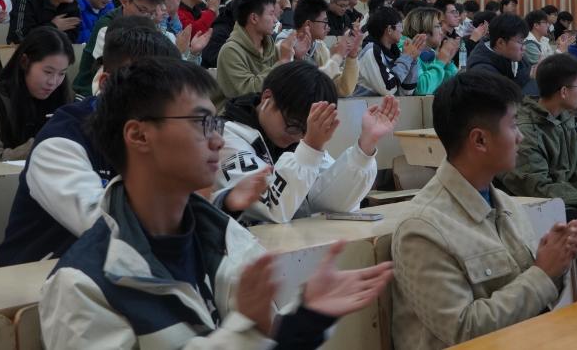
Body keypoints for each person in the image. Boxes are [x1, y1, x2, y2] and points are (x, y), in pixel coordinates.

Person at [39, 57, 393, 349]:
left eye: (214, 122)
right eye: (201, 123)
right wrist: (245, 334)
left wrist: (304, 321)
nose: (217, 140)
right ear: (139, 135)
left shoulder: (229, 240)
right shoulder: (82, 284)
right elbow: (246, 338)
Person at [391, 71, 577, 350]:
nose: (520, 137)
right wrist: (543, 273)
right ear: (480, 140)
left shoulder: (507, 205)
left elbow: (534, 301)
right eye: (513, 125)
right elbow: (463, 331)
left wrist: (556, 262)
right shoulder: (423, 228)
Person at [0, 20, 182, 265]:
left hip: (116, 272)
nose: (159, 102)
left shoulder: (163, 134)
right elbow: (105, 225)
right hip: (36, 277)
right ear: (106, 85)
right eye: (146, 87)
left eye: (167, 89)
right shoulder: (60, 141)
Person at [496, 53, 577, 298]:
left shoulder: (565, 118)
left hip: (563, 198)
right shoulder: (526, 128)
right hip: (530, 205)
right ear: (564, 92)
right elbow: (535, 185)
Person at [215, 61, 396, 224]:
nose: (297, 137)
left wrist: (364, 148)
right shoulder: (225, 137)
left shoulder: (300, 140)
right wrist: (310, 147)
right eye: (293, 125)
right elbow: (271, 210)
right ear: (267, 98)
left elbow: (327, 202)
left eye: (306, 130)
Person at [0, 27, 74, 163]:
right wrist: (45, 143)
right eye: (48, 72)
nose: (53, 82)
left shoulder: (65, 98)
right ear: (24, 62)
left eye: (62, 73)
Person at [72, 0, 169, 97]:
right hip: (91, 91)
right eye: (142, 10)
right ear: (125, 1)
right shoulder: (107, 27)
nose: (147, 17)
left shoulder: (147, 26)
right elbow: (113, 73)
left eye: (152, 13)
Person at [216, 0, 303, 101]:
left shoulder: (269, 46)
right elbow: (246, 93)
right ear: (254, 18)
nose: (275, 20)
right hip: (240, 111)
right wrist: (283, 61)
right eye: (271, 14)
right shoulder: (230, 51)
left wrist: (297, 57)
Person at [277, 0, 360, 97]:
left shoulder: (320, 47)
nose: (328, 27)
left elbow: (342, 89)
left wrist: (352, 56)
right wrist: (337, 57)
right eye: (324, 22)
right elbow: (304, 88)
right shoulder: (284, 46)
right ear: (308, 24)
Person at [355, 7, 423, 97]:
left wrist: (412, 59)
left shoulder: (395, 52)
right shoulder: (370, 50)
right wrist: (406, 57)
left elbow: (406, 91)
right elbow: (388, 89)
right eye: (400, 26)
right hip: (362, 104)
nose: (402, 30)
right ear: (389, 29)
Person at [400, 7, 458, 95]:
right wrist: (441, 62)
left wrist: (448, 63)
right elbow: (421, 89)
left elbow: (450, 86)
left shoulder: (429, 52)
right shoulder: (407, 49)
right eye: (437, 26)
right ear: (424, 30)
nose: (441, 32)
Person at [466, 14, 531, 89]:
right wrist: (528, 77)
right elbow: (501, 93)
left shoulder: (513, 55)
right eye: (520, 42)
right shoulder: (481, 71)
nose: (524, 48)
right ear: (500, 43)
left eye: (524, 41)